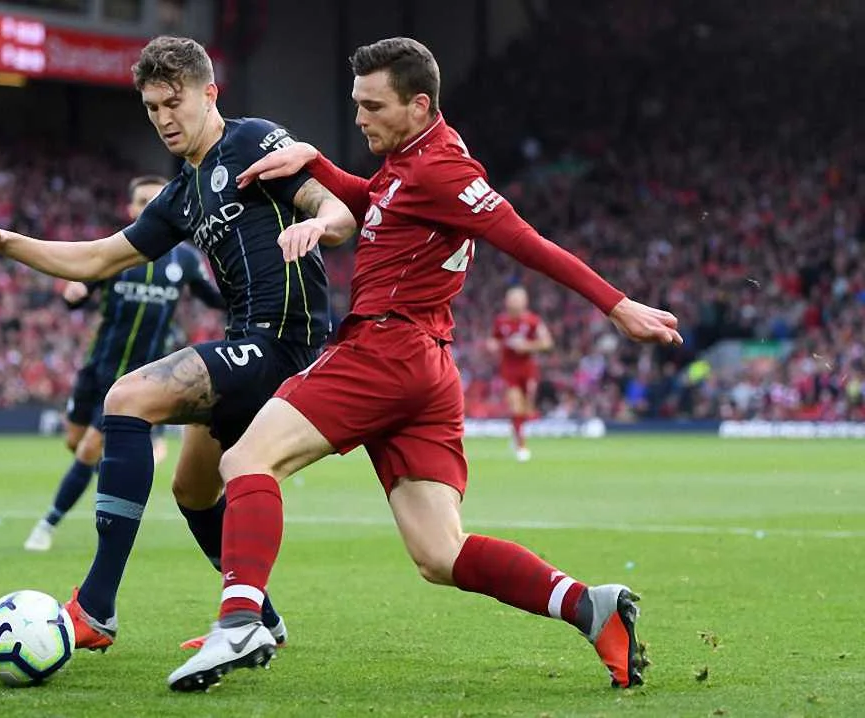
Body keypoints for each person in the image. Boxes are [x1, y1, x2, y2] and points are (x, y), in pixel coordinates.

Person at [166, 37, 681, 692]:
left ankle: (241, 623)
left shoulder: (442, 169)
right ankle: (590, 607)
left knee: (245, 460)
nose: (360, 118)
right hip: (427, 368)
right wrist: (317, 161)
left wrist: (617, 305)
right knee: (440, 553)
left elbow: (522, 239)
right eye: (356, 104)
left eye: (373, 106)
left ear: (418, 105)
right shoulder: (407, 161)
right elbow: (375, 204)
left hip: (383, 349)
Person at [0, 36, 356, 652]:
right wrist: (6, 243)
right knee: (193, 492)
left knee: (127, 398)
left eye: (173, 102)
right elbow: (98, 258)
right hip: (246, 342)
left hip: (287, 345)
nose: (163, 118)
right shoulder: (181, 194)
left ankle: (95, 609)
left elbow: (334, 207)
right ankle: (260, 623)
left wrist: (320, 223)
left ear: (209, 94)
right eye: (152, 108)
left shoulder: (251, 140)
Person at [24, 175, 225, 552]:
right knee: (75, 443)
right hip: (97, 367)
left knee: (89, 448)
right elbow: (80, 288)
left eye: (156, 199)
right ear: (131, 208)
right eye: (142, 201)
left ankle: (46, 524)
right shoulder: (117, 252)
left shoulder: (184, 259)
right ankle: (128, 468)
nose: (149, 206)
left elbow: (215, 298)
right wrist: (74, 293)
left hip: (139, 377)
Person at [486, 285, 553, 462]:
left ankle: (516, 433)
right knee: (516, 405)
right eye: (512, 299)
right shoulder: (501, 321)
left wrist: (527, 346)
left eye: (518, 299)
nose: (514, 303)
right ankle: (521, 447)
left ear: (525, 302)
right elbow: (493, 340)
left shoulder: (533, 321)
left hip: (528, 369)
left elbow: (547, 342)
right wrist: (492, 345)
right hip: (509, 370)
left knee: (526, 408)